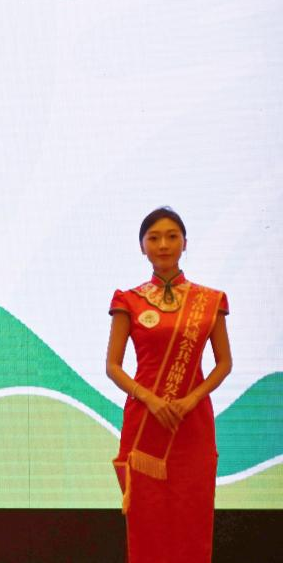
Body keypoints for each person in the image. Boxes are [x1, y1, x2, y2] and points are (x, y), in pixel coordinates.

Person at [106, 207, 232, 562]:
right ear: (142, 246)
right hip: (146, 420)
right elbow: (113, 367)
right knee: (147, 516)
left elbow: (224, 363)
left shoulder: (209, 301)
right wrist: (151, 400)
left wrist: (191, 400)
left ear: (185, 243)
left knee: (192, 513)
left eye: (172, 236)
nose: (163, 244)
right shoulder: (128, 300)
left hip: (192, 422)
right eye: (154, 237)